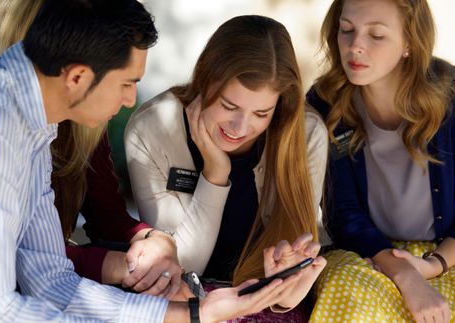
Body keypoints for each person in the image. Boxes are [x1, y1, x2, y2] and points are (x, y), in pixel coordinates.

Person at [0, 1, 303, 321]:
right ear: (77, 78)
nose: (131, 99)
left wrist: (196, 313)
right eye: (128, 83)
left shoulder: (35, 126)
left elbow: (49, 278)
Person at [0, 0, 182, 294]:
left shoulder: (46, 128)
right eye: (126, 83)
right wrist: (120, 266)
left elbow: (48, 269)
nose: (131, 100)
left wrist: (152, 239)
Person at [125, 15, 328, 320]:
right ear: (206, 80)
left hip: (264, 304)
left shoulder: (306, 134)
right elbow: (179, 267)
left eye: (262, 113)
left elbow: (289, 289)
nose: (240, 127)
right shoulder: (153, 127)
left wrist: (287, 284)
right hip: (185, 303)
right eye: (229, 106)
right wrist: (215, 174)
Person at [306, 0, 455, 322]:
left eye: (376, 35)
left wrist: (433, 265)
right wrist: (405, 273)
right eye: (347, 30)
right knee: (346, 292)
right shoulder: (325, 104)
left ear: (410, 44)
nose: (355, 45)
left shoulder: (451, 99)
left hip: (449, 253)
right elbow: (342, 214)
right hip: (368, 252)